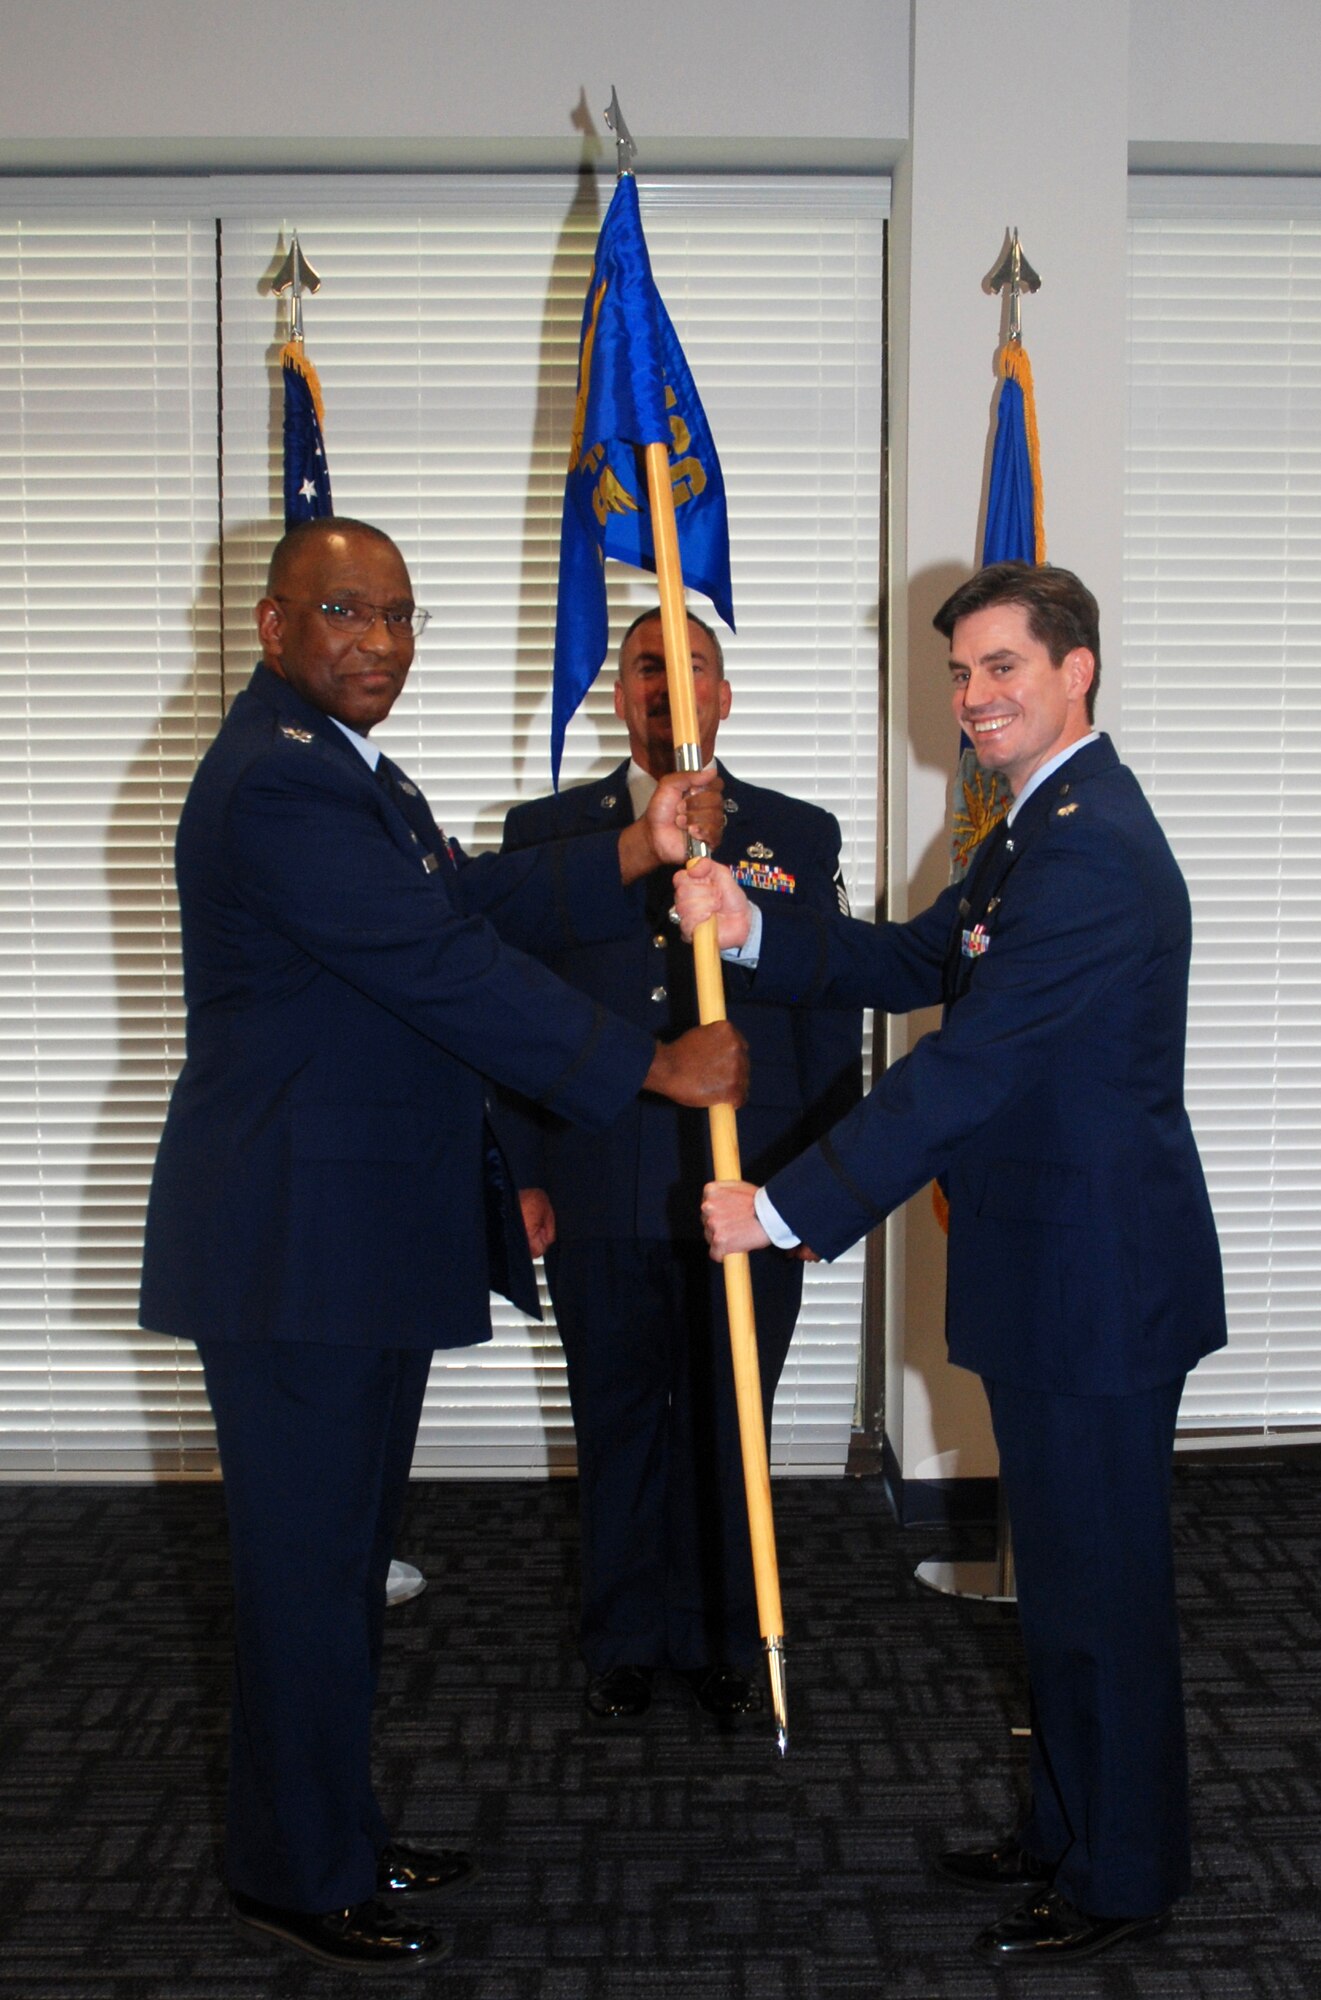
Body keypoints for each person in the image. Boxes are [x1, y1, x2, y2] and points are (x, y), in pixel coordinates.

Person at [138, 520, 747, 1974]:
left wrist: (633, 845)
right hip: (297, 1246)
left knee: (339, 1563)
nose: (378, 640)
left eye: (400, 615)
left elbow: (462, 898)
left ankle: (331, 1833)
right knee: (307, 1572)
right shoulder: (280, 781)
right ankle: (296, 1870)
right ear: (274, 624)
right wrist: (650, 1067)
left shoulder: (354, 773)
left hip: (346, 1234)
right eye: (344, 611)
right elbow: (439, 964)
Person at [679, 562, 1226, 1967]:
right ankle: (1064, 1829)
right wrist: (748, 925)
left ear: (1075, 669)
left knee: (1099, 1595)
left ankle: (1121, 1874)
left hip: (1099, 1287)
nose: (974, 697)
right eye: (960, 674)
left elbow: (967, 1068)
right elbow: (921, 957)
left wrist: (784, 1210)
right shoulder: (1028, 828)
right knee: (1062, 1580)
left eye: (1001, 666)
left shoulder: (1090, 848)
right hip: (1053, 1269)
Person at [497, 608, 861, 1724]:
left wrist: (818, 1188)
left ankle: (720, 1635)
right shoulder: (548, 834)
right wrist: (522, 1170)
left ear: (726, 691)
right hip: (598, 1174)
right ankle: (621, 1634)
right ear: (619, 696)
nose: (669, 686)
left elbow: (828, 1010)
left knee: (729, 1418)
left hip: (751, 1186)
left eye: (691, 664)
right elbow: (508, 1014)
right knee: (615, 1417)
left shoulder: (795, 832)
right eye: (646, 667)